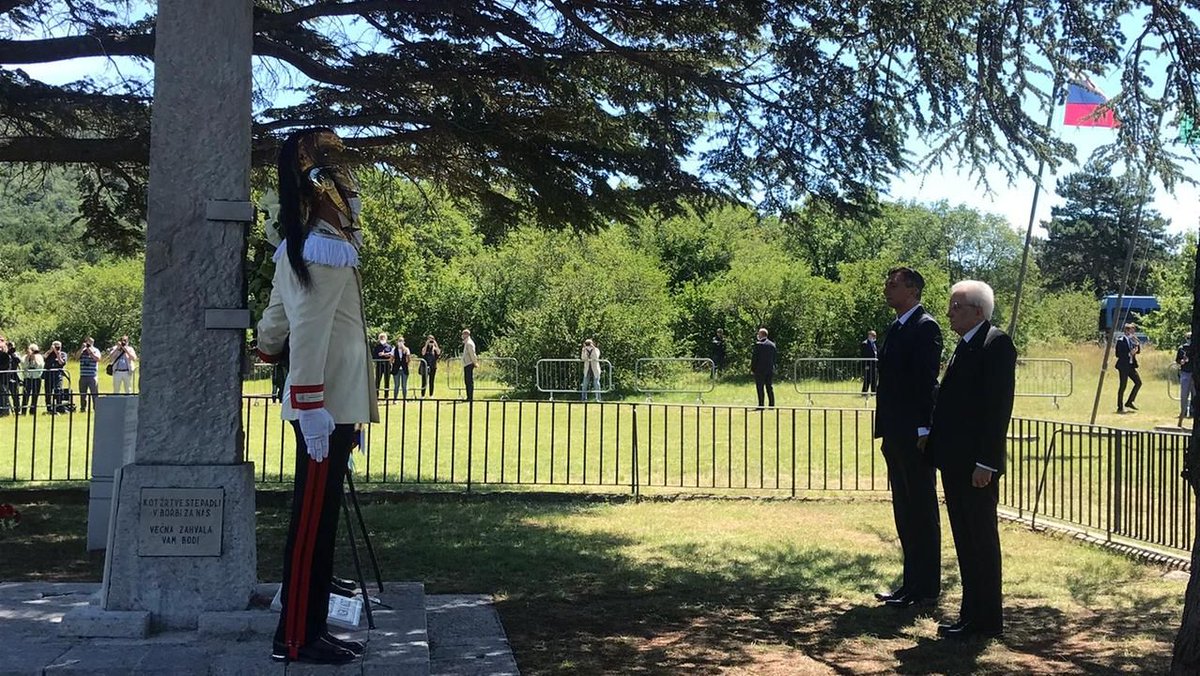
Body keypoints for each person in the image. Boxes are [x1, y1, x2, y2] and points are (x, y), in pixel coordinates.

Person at [255, 127, 378, 665]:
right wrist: (309, 405)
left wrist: (265, 349)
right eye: (344, 189)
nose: (351, 199)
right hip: (324, 409)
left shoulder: (301, 251)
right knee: (310, 528)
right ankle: (296, 637)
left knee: (319, 524)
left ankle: (308, 626)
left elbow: (279, 323)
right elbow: (307, 331)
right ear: (326, 193)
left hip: (328, 406)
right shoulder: (325, 253)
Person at [926, 280, 1016, 640]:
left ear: (978, 311)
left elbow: (997, 409)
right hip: (954, 461)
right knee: (964, 539)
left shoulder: (995, 343)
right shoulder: (964, 345)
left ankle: (987, 618)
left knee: (980, 540)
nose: (949, 312)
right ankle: (970, 614)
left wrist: (987, 463)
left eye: (956, 306)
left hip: (976, 465)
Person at [873, 266, 943, 608]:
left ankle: (926, 587)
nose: (887, 288)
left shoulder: (924, 327)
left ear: (912, 290)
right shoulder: (897, 326)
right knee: (904, 508)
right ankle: (910, 583)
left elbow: (925, 383)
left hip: (914, 435)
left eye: (893, 284)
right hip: (895, 433)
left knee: (921, 509)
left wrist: (924, 429)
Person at [1115, 322, 1141, 413]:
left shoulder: (1132, 340)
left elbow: (1137, 352)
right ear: (1126, 331)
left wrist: (1137, 343)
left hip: (1131, 365)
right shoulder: (1121, 340)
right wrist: (1129, 353)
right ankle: (1120, 406)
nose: (1132, 333)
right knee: (1123, 386)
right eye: (1131, 331)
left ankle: (1129, 402)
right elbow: (1118, 354)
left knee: (1138, 383)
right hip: (1123, 366)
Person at [750, 328, 777, 409]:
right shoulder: (772, 345)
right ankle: (771, 404)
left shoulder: (758, 345)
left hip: (760, 370)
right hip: (769, 369)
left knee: (760, 387)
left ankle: (761, 404)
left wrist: (753, 368)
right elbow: (774, 358)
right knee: (769, 387)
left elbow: (755, 358)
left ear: (761, 334)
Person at [18, 343, 44, 415]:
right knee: (25, 396)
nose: (34, 353)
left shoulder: (39, 357)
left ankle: (32, 412)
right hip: (28, 379)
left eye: (35, 351)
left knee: (35, 396)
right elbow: (23, 365)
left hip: (36, 378)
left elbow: (39, 366)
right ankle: (23, 412)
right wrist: (28, 357)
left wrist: (34, 358)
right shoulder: (25, 357)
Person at [77, 337, 102, 413]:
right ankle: (83, 408)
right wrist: (82, 349)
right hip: (83, 375)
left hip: (92, 376)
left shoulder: (96, 350)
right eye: (87, 342)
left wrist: (89, 350)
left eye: (90, 342)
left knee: (94, 393)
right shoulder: (82, 350)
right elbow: (76, 357)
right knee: (83, 394)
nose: (88, 344)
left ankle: (96, 408)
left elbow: (97, 359)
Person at [42, 340, 67, 414]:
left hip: (57, 376)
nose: (57, 348)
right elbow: (44, 358)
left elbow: (61, 363)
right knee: (48, 392)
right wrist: (50, 350)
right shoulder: (49, 353)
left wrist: (57, 354)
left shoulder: (62, 354)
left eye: (58, 346)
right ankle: (49, 408)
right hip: (48, 376)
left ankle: (59, 406)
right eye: (55, 346)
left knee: (58, 391)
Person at [1178, 332, 1194, 427]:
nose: (1189, 339)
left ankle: (1193, 413)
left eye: (1190, 337)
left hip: (1195, 375)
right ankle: (1182, 415)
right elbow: (1178, 359)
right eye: (1188, 337)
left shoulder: (1195, 348)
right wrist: (1181, 361)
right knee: (1184, 395)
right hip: (1185, 373)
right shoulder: (1182, 348)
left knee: (1195, 395)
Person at [372, 332, 393, 401]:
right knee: (377, 380)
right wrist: (379, 355)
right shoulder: (377, 347)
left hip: (387, 366)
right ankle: (376, 395)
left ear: (386, 338)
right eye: (381, 338)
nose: (382, 339)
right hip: (379, 365)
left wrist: (386, 355)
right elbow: (374, 356)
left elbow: (392, 355)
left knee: (387, 380)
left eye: (383, 337)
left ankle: (386, 396)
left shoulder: (389, 346)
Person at [461, 329, 480, 401]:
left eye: (463, 334)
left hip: (469, 364)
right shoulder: (467, 343)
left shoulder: (469, 343)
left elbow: (472, 354)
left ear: (466, 335)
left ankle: (470, 397)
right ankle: (468, 396)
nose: (462, 336)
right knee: (467, 381)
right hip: (467, 364)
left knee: (469, 381)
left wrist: (475, 363)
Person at [391, 336, 411, 401]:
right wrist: (393, 364)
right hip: (396, 369)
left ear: (404, 342)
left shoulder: (407, 349)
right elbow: (391, 359)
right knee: (396, 385)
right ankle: (395, 399)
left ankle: (404, 399)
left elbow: (408, 359)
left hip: (404, 369)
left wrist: (404, 350)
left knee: (404, 385)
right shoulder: (394, 349)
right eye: (399, 341)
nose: (400, 342)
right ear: (397, 342)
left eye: (402, 341)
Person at [0, 335, 16, 416]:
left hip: (4, 376)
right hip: (3, 376)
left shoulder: (7, 354)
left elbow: (14, 359)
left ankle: (5, 411)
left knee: (4, 393)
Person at [860, 329, 879, 394]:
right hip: (868, 364)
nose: (874, 337)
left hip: (874, 364)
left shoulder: (874, 344)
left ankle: (874, 392)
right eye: (873, 335)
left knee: (874, 378)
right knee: (867, 379)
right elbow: (863, 355)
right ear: (869, 335)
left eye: (875, 335)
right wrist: (865, 365)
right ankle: (864, 392)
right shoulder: (865, 344)